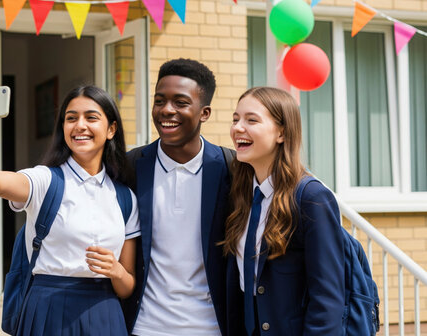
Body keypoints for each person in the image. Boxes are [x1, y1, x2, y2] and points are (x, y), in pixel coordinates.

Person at [0, 84, 140, 336]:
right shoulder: (45, 180)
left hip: (104, 314)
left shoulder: (125, 198)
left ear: (111, 129)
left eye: (91, 117)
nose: (79, 125)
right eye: (71, 118)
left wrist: (116, 271)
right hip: (47, 309)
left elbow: (127, 286)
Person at [122, 59, 232, 335]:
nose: (166, 110)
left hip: (211, 326)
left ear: (204, 112)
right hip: (145, 326)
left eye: (180, 102)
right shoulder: (130, 167)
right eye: (160, 101)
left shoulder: (232, 168)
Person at [223, 87, 345, 335]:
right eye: (236, 119)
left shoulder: (312, 198)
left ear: (281, 132)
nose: (237, 128)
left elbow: (328, 300)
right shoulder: (240, 193)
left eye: (251, 120)